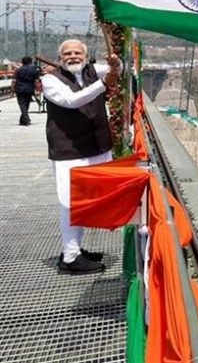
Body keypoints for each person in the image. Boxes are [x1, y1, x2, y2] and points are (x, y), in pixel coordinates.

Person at [42, 39, 121, 275]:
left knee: (89, 201)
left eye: (77, 52)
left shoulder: (92, 71)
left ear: (86, 56)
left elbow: (120, 69)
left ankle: (75, 248)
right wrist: (103, 83)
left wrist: (116, 64)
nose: (73, 56)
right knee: (69, 203)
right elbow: (71, 100)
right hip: (69, 152)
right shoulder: (50, 80)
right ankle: (70, 257)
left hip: (96, 147)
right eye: (67, 53)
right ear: (60, 57)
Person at [12, 56, 40, 126]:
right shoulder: (34, 70)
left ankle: (26, 119)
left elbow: (14, 80)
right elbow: (36, 81)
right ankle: (23, 120)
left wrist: (12, 88)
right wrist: (38, 90)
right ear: (30, 61)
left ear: (22, 62)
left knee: (22, 104)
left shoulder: (18, 70)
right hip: (30, 89)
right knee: (26, 104)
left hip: (20, 89)